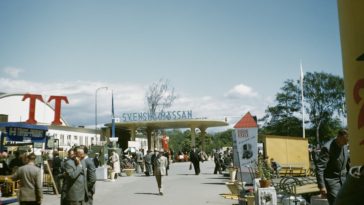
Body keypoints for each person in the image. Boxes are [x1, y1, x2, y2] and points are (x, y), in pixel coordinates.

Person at [316, 129, 350, 205]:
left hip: (344, 180)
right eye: (345, 141)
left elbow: (347, 162)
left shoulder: (344, 145)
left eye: (347, 141)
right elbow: (319, 168)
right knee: (336, 202)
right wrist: (322, 186)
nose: (346, 143)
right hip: (332, 181)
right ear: (339, 137)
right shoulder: (327, 148)